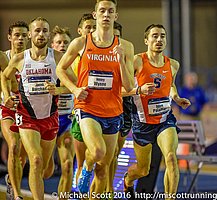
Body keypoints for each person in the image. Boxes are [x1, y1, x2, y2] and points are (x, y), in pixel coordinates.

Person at [56, 0, 134, 194]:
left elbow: (130, 85)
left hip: (113, 111)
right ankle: (85, 168)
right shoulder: (81, 43)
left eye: (110, 11)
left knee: (103, 169)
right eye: (102, 11)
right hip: (87, 108)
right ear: (95, 14)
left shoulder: (125, 46)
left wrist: (121, 61)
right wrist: (74, 89)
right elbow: (60, 69)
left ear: (116, 16)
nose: (106, 15)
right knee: (98, 152)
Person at [1, 17, 71, 199]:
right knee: (35, 159)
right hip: (26, 117)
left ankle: (34, 178)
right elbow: (5, 76)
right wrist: (7, 95)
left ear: (49, 34)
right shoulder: (18, 58)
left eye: (45, 31)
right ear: (30, 34)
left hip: (50, 117)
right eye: (37, 31)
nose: (41, 34)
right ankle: (21, 194)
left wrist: (59, 89)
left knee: (46, 170)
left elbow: (76, 82)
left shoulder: (57, 57)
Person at [123, 24, 191, 199]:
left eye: (162, 36)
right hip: (142, 122)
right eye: (154, 36)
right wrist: (139, 90)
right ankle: (128, 181)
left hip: (164, 119)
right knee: (143, 169)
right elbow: (121, 89)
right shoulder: (137, 61)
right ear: (146, 40)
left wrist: (176, 98)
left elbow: (170, 85)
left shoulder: (173, 64)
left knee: (170, 158)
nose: (159, 40)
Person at [0, 21, 29, 200]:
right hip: (7, 109)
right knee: (13, 145)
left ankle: (12, 179)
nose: (20, 39)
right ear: (10, 37)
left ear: (29, 37)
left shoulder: (33, 58)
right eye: (17, 35)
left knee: (23, 156)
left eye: (24, 35)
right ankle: (16, 195)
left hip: (28, 111)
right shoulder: (3, 57)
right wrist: (6, 95)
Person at [106, 21, 134, 194]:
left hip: (124, 107)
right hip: (103, 106)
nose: (114, 40)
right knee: (103, 153)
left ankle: (109, 189)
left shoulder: (126, 53)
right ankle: (101, 188)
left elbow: (129, 85)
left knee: (115, 152)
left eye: (117, 36)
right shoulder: (98, 55)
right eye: (111, 36)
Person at [47, 25, 75, 196]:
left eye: (66, 42)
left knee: (67, 165)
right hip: (48, 120)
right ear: (52, 45)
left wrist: (61, 90)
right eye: (59, 42)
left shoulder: (75, 63)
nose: (63, 45)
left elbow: (79, 86)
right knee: (46, 170)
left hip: (67, 120)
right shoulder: (45, 63)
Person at [70, 12, 96, 188]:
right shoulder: (74, 57)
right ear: (80, 30)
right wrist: (74, 89)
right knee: (79, 162)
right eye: (88, 27)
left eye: (94, 27)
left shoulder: (103, 53)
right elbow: (64, 78)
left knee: (99, 159)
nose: (92, 31)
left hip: (103, 111)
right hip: (80, 111)